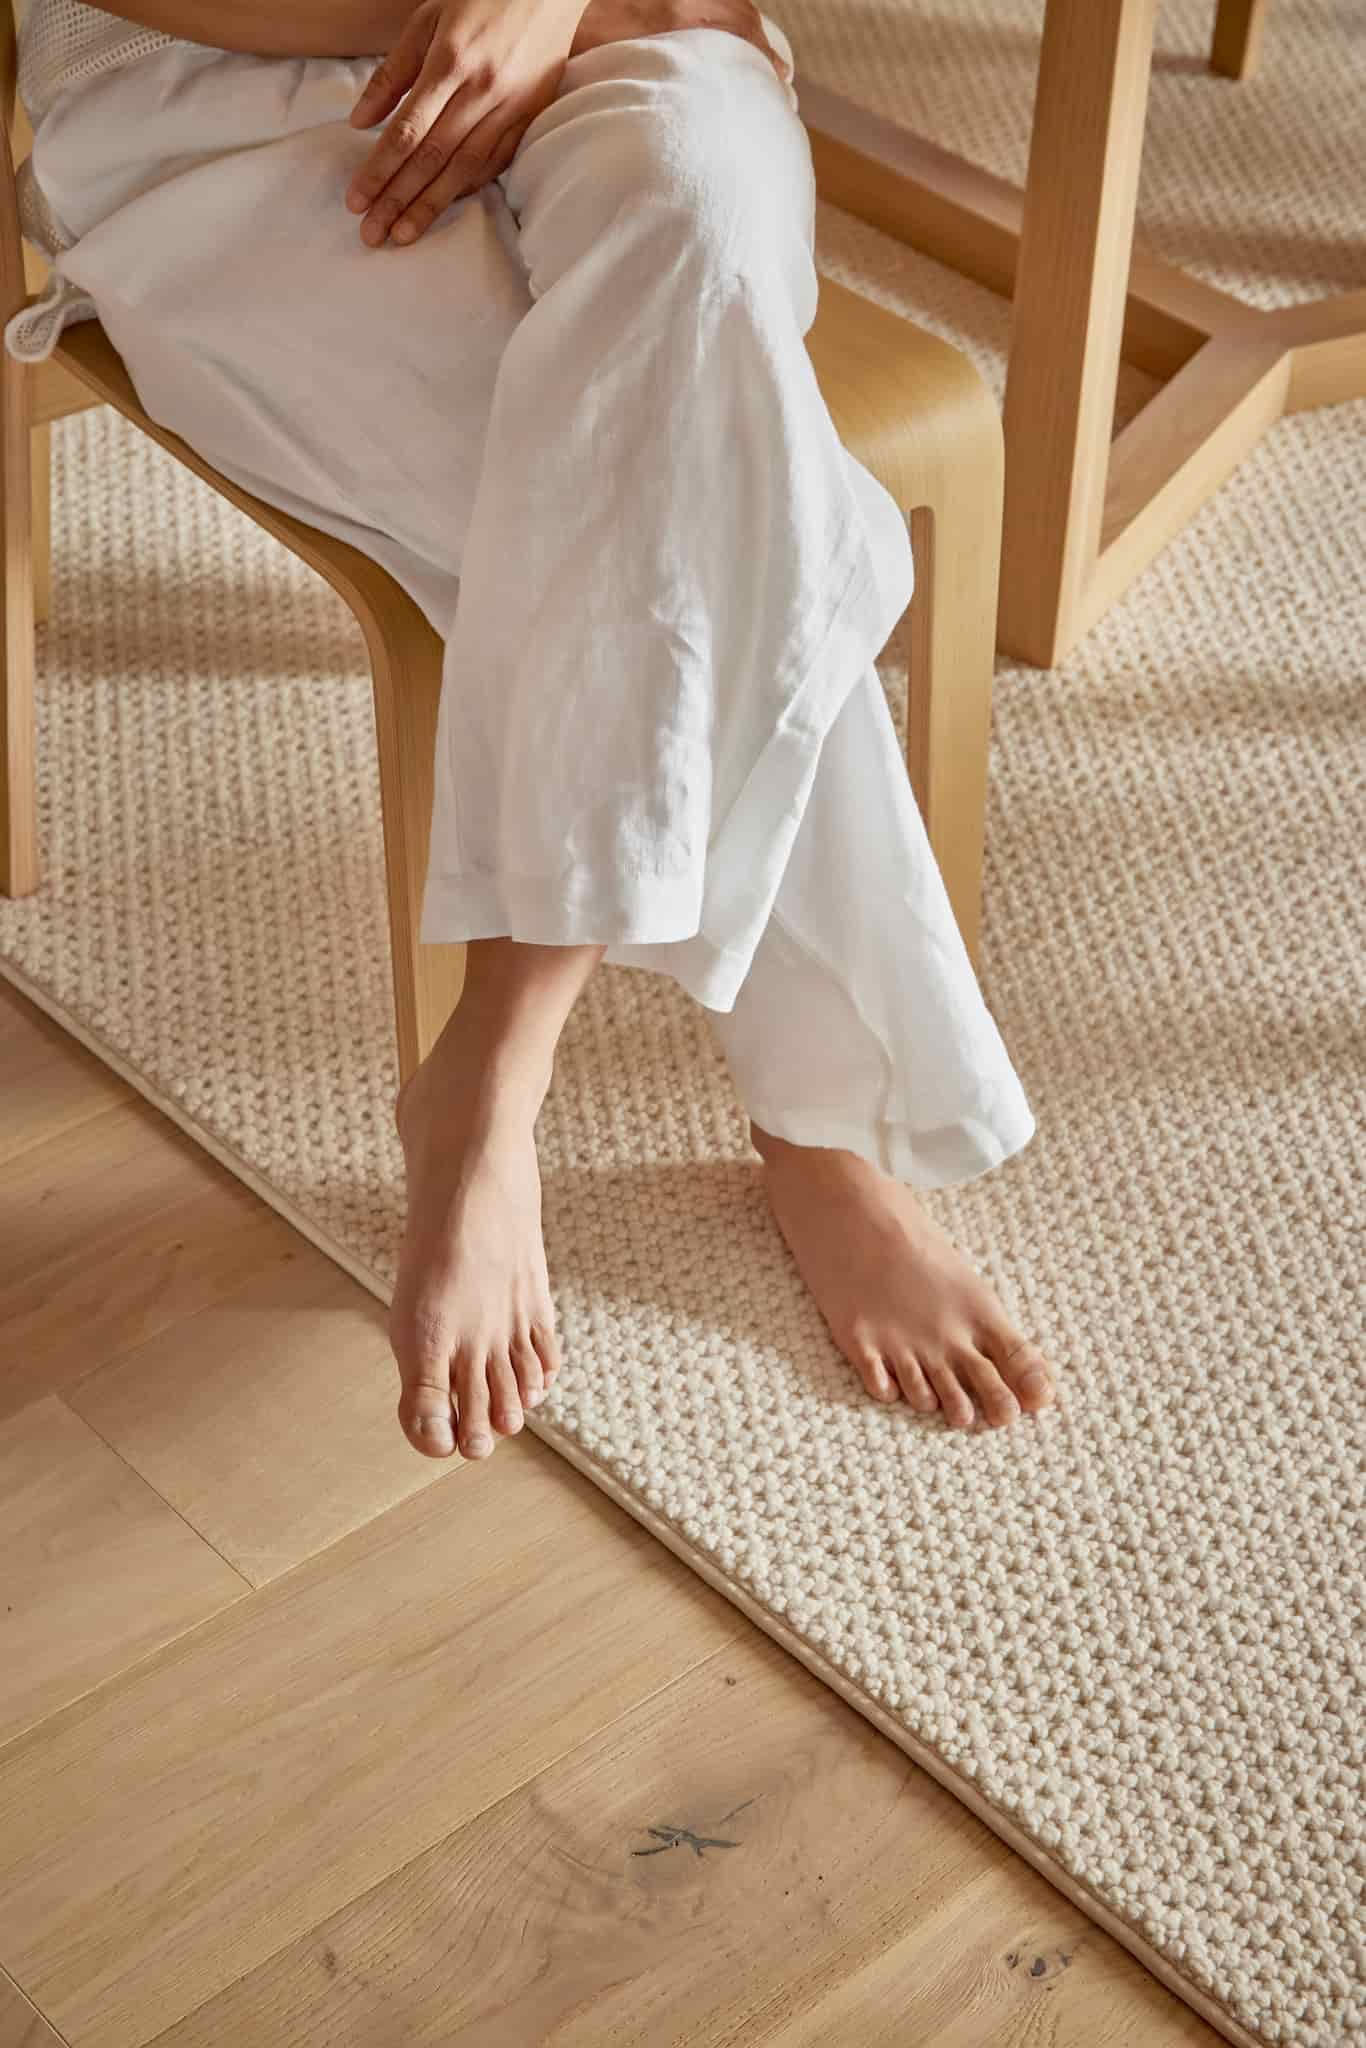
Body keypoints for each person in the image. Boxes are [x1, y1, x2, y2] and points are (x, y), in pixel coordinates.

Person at [7, 0, 1058, 1460]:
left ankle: (491, 1066)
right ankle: (816, 1126)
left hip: (630, 34)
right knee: (702, 472)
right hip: (224, 87)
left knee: (686, 205)